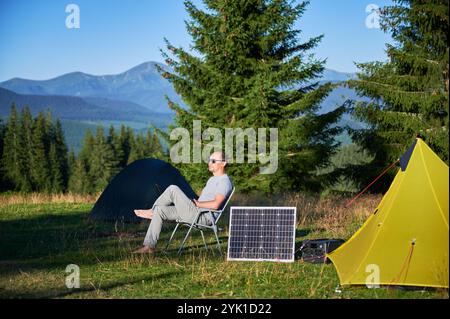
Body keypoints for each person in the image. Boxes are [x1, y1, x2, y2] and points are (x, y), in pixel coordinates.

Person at [132, 151, 233, 254]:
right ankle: (149, 247)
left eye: (213, 161)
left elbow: (216, 205)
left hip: (203, 217)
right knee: (160, 210)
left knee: (173, 189)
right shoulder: (212, 180)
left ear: (223, 163)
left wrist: (198, 204)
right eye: (209, 160)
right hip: (196, 211)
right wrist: (194, 202)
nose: (209, 163)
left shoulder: (224, 182)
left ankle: (151, 211)